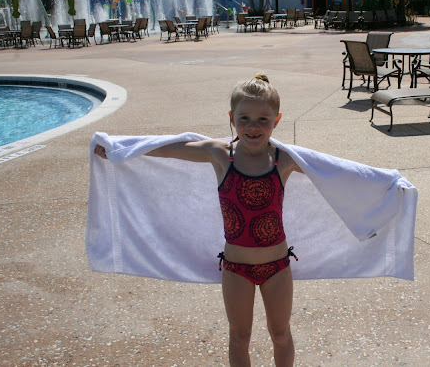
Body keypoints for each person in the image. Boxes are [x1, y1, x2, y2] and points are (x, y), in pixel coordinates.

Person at [94, 74, 302, 367]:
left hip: (277, 267)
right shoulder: (221, 154)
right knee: (239, 337)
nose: (253, 127)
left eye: (262, 119)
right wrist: (119, 149)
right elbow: (166, 148)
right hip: (237, 269)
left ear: (276, 120)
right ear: (231, 118)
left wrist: (374, 183)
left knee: (280, 334)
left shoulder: (284, 158)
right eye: (244, 118)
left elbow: (335, 172)